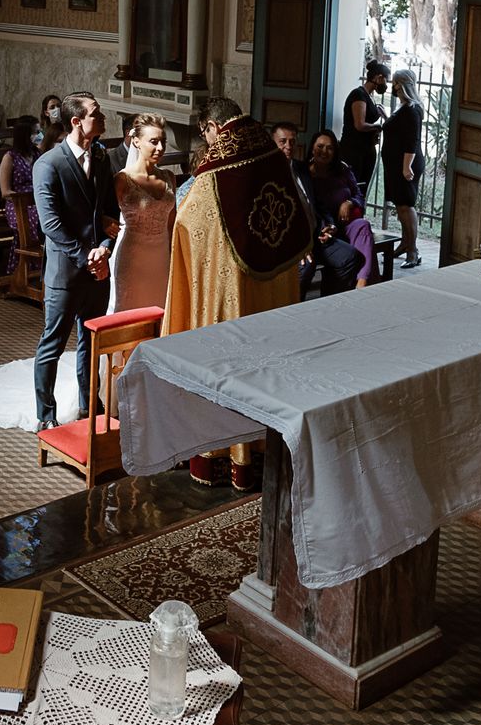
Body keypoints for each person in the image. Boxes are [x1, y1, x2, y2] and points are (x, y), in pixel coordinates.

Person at [166, 97, 311, 487]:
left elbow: (187, 224)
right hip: (272, 290)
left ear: (211, 128)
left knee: (226, 366)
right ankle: (265, 448)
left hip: (230, 290)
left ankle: (222, 454)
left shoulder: (216, 171)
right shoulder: (272, 156)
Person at [31, 93, 119, 430]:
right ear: (76, 121)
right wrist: (86, 257)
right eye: (96, 114)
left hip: (98, 268)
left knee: (90, 342)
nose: (103, 117)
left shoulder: (101, 158)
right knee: (52, 344)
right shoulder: (49, 164)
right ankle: (46, 414)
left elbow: (110, 213)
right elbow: (50, 224)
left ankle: (89, 405)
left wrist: (106, 248)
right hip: (66, 270)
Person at [109, 114, 175, 314]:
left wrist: (174, 258)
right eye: (153, 142)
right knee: (130, 313)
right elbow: (106, 216)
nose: (160, 148)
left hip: (161, 258)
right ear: (136, 141)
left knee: (160, 313)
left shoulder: (169, 177)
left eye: (163, 142)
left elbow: (172, 223)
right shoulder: (122, 179)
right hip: (133, 258)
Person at [298, 131, 375, 294]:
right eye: (320, 146)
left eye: (329, 148)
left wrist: (349, 202)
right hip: (323, 229)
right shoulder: (304, 174)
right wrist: (327, 226)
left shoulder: (343, 170)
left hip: (345, 225)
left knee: (363, 225)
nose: (324, 151)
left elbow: (359, 196)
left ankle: (362, 284)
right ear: (312, 148)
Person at [382, 69, 425, 268]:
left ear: (401, 85)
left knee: (406, 206)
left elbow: (412, 140)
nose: (392, 86)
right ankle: (405, 243)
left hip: (404, 165)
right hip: (394, 165)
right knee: (400, 206)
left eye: (395, 83)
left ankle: (413, 251)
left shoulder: (412, 109)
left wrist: (406, 167)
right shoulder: (403, 107)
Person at [0, 116, 43, 275]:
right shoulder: (10, 158)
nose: (39, 135)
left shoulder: (38, 154)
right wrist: (25, 199)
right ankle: (27, 268)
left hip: (38, 202)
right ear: (25, 135)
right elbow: (5, 191)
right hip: (17, 205)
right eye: (35, 132)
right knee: (34, 218)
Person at [341, 61, 391, 191]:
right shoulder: (359, 95)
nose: (386, 85)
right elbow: (359, 125)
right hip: (354, 151)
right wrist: (377, 127)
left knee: (361, 189)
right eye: (386, 80)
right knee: (353, 189)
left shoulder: (368, 97)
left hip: (365, 150)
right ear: (378, 77)